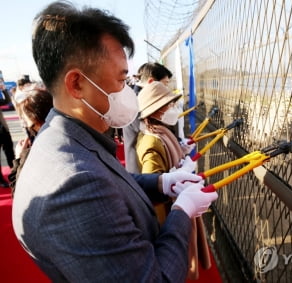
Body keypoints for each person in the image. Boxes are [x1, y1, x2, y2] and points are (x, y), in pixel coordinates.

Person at [12, 2, 218, 282]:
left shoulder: (68, 138)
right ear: (76, 84)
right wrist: (182, 211)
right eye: (122, 80)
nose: (127, 91)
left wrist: (162, 183)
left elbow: (110, 179)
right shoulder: (73, 185)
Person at [137, 81, 208, 280]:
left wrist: (180, 150)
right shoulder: (152, 141)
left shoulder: (159, 132)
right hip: (171, 214)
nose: (173, 109)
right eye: (169, 105)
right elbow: (152, 180)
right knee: (179, 261)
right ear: (157, 111)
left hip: (177, 206)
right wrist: (179, 170)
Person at [122, 62, 174, 174]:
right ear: (151, 82)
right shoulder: (138, 103)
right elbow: (151, 132)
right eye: (164, 84)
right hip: (141, 167)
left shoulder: (136, 98)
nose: (166, 89)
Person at [8, 86, 53, 196]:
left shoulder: (34, 152)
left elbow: (18, 193)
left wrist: (18, 158)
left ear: (34, 118)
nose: (23, 122)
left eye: (24, 117)